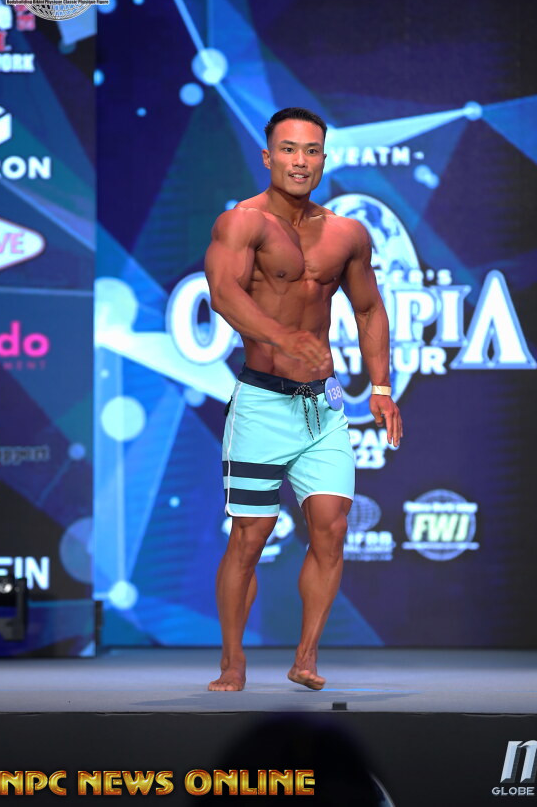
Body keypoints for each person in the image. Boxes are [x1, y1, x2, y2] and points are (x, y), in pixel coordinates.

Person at [204, 107, 402, 692]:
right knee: (250, 536)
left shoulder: (346, 234)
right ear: (268, 157)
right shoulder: (242, 222)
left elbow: (369, 308)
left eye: (311, 150)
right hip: (262, 404)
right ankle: (233, 662)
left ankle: (306, 657)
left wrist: (382, 387)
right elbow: (223, 293)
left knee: (332, 529)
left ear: (323, 159)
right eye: (288, 149)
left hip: (323, 407)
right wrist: (283, 337)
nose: (299, 161)